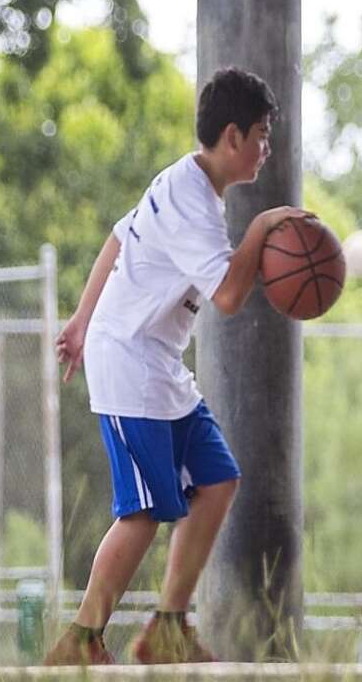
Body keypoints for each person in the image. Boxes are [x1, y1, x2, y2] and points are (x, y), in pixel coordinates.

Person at [43, 68, 309, 665]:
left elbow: (118, 239)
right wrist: (264, 227)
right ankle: (81, 640)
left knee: (217, 479)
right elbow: (229, 296)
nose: (267, 148)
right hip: (130, 368)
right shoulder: (192, 201)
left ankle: (167, 626)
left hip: (156, 363)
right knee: (142, 511)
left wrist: (81, 320)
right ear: (234, 136)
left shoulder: (186, 181)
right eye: (263, 135)